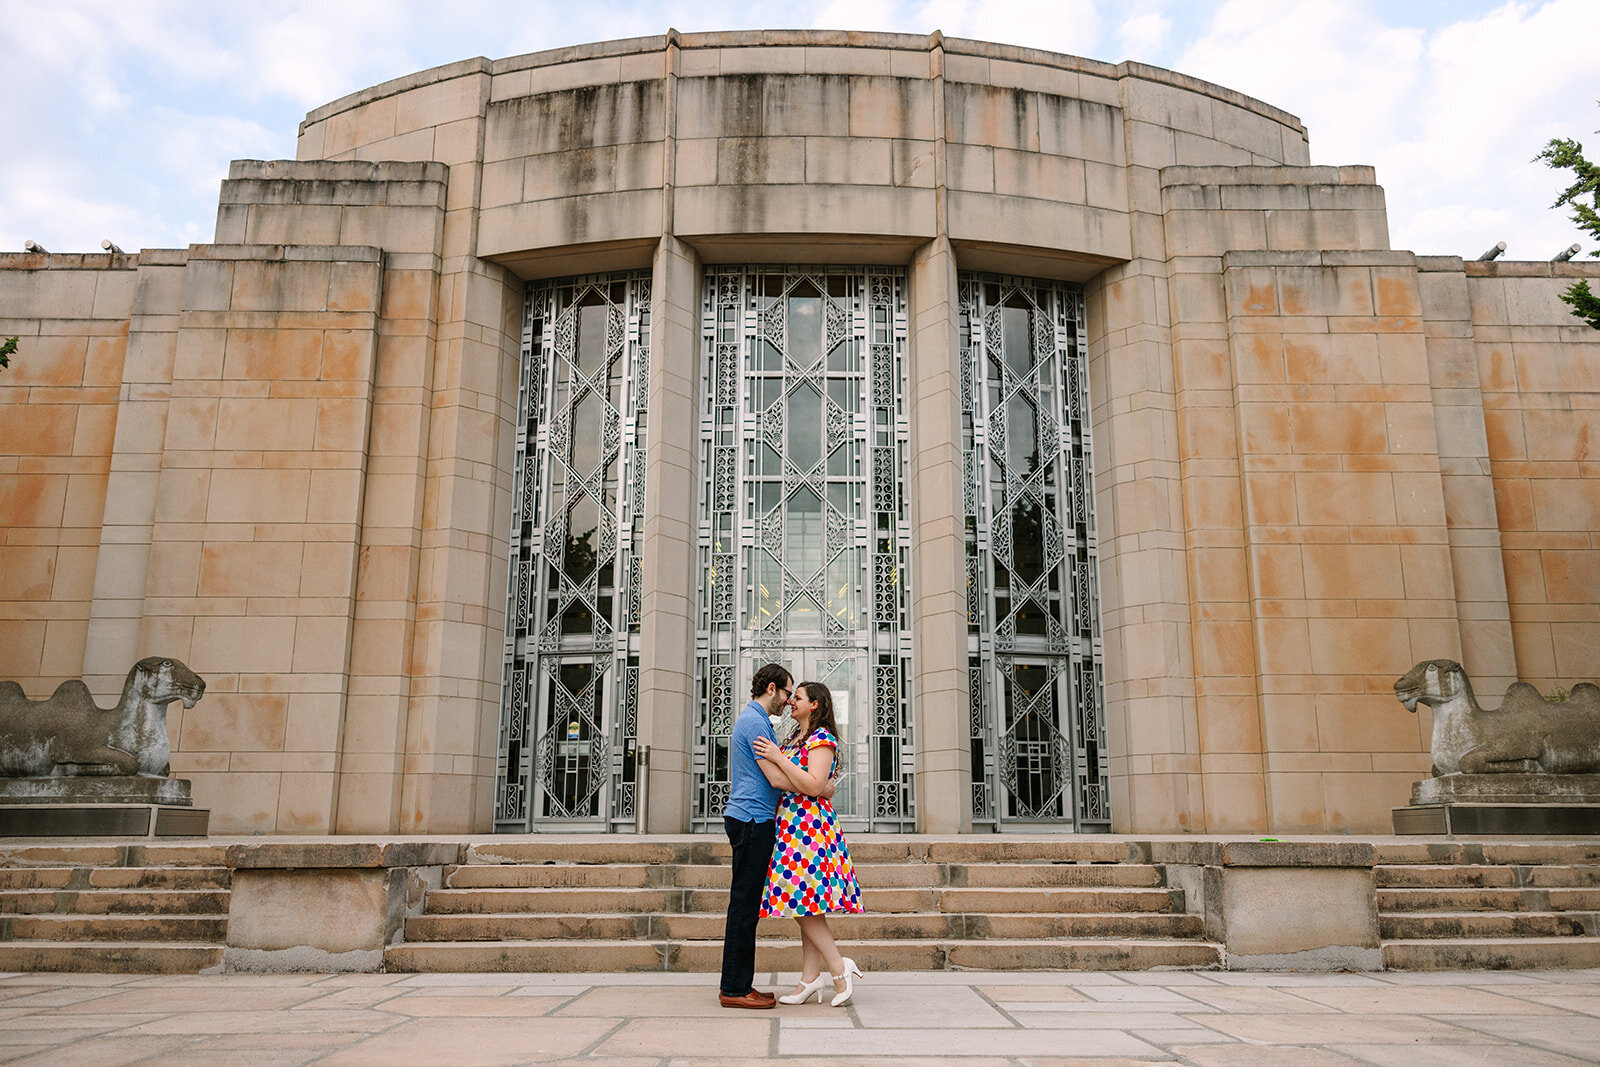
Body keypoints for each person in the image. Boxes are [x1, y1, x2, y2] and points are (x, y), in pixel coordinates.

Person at [753, 680, 864, 1007]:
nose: (791, 702)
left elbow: (814, 784)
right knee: (806, 902)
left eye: (797, 698)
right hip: (791, 824)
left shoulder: (822, 738)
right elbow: (802, 784)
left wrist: (781, 760)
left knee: (800, 899)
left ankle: (838, 966)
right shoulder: (794, 738)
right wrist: (807, 783)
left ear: (814, 704)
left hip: (810, 827)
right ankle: (809, 979)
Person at [717, 662, 793, 1009]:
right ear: (773, 688)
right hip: (751, 820)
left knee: (747, 905)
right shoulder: (753, 721)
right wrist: (817, 788)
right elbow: (776, 778)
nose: (788, 701)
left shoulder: (758, 720)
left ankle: (740, 983)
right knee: (744, 906)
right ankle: (734, 989)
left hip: (754, 819)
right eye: (787, 693)